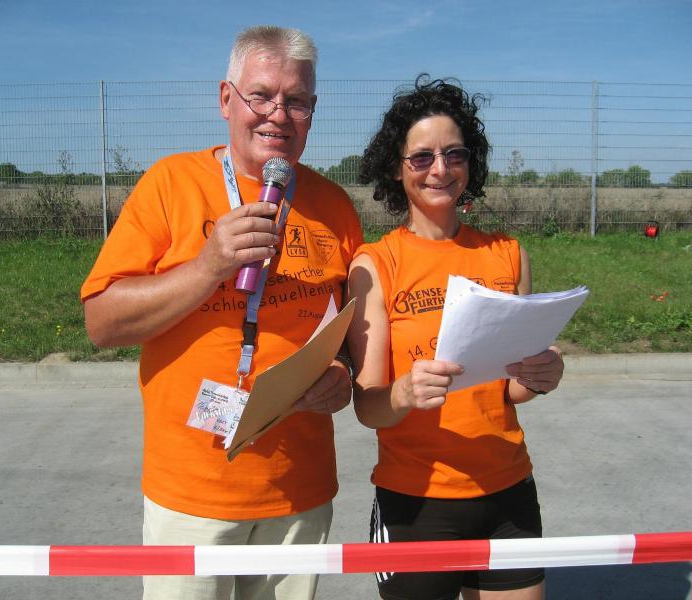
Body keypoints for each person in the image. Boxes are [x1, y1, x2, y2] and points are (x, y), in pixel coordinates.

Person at [81, 26, 363, 600]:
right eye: (261, 95)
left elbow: (351, 336)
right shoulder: (170, 185)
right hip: (192, 495)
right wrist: (208, 265)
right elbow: (102, 323)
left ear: (313, 111)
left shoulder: (334, 207)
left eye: (297, 101)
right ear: (225, 99)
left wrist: (343, 375)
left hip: (298, 493)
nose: (278, 115)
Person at [346, 76, 564, 600]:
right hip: (417, 501)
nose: (440, 169)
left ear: (471, 161)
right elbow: (368, 407)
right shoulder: (375, 264)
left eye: (454, 154)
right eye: (421, 157)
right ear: (396, 168)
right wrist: (403, 393)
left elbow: (509, 390)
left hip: (507, 492)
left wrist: (542, 375)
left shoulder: (508, 254)